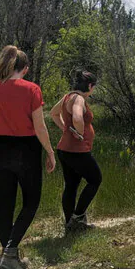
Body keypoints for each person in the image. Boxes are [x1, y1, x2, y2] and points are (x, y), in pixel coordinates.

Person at [0, 46, 55, 269]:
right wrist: (50, 151)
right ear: (24, 69)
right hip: (26, 149)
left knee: (6, 205)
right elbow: (40, 127)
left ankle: (9, 256)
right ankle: (10, 253)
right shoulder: (31, 89)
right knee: (31, 202)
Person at [50, 70, 102, 233]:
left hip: (64, 149)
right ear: (90, 86)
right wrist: (78, 133)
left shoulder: (68, 96)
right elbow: (78, 118)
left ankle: (69, 224)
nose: (93, 90)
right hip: (77, 150)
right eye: (93, 87)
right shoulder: (78, 99)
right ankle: (78, 217)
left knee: (71, 185)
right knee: (95, 179)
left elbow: (53, 113)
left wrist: (66, 128)